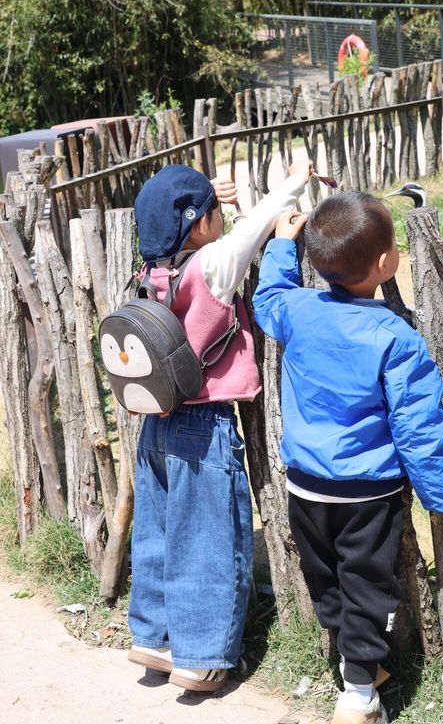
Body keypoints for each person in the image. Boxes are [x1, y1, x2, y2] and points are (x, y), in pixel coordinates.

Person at [253, 190, 443, 724]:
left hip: (305, 486)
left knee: (325, 578)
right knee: (367, 586)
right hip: (366, 495)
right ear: (386, 262)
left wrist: (281, 243)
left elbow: (268, 297)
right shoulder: (395, 337)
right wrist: (442, 493)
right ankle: (357, 695)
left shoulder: (298, 311)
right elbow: (417, 426)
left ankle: (358, 663)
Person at [127, 160, 312, 692]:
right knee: (208, 537)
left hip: (155, 423)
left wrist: (203, 195)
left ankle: (155, 636)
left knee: (158, 532)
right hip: (202, 423)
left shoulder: (150, 272)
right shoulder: (212, 266)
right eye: (211, 212)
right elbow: (256, 224)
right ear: (199, 224)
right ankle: (202, 656)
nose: (220, 218)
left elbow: (173, 215)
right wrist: (296, 181)